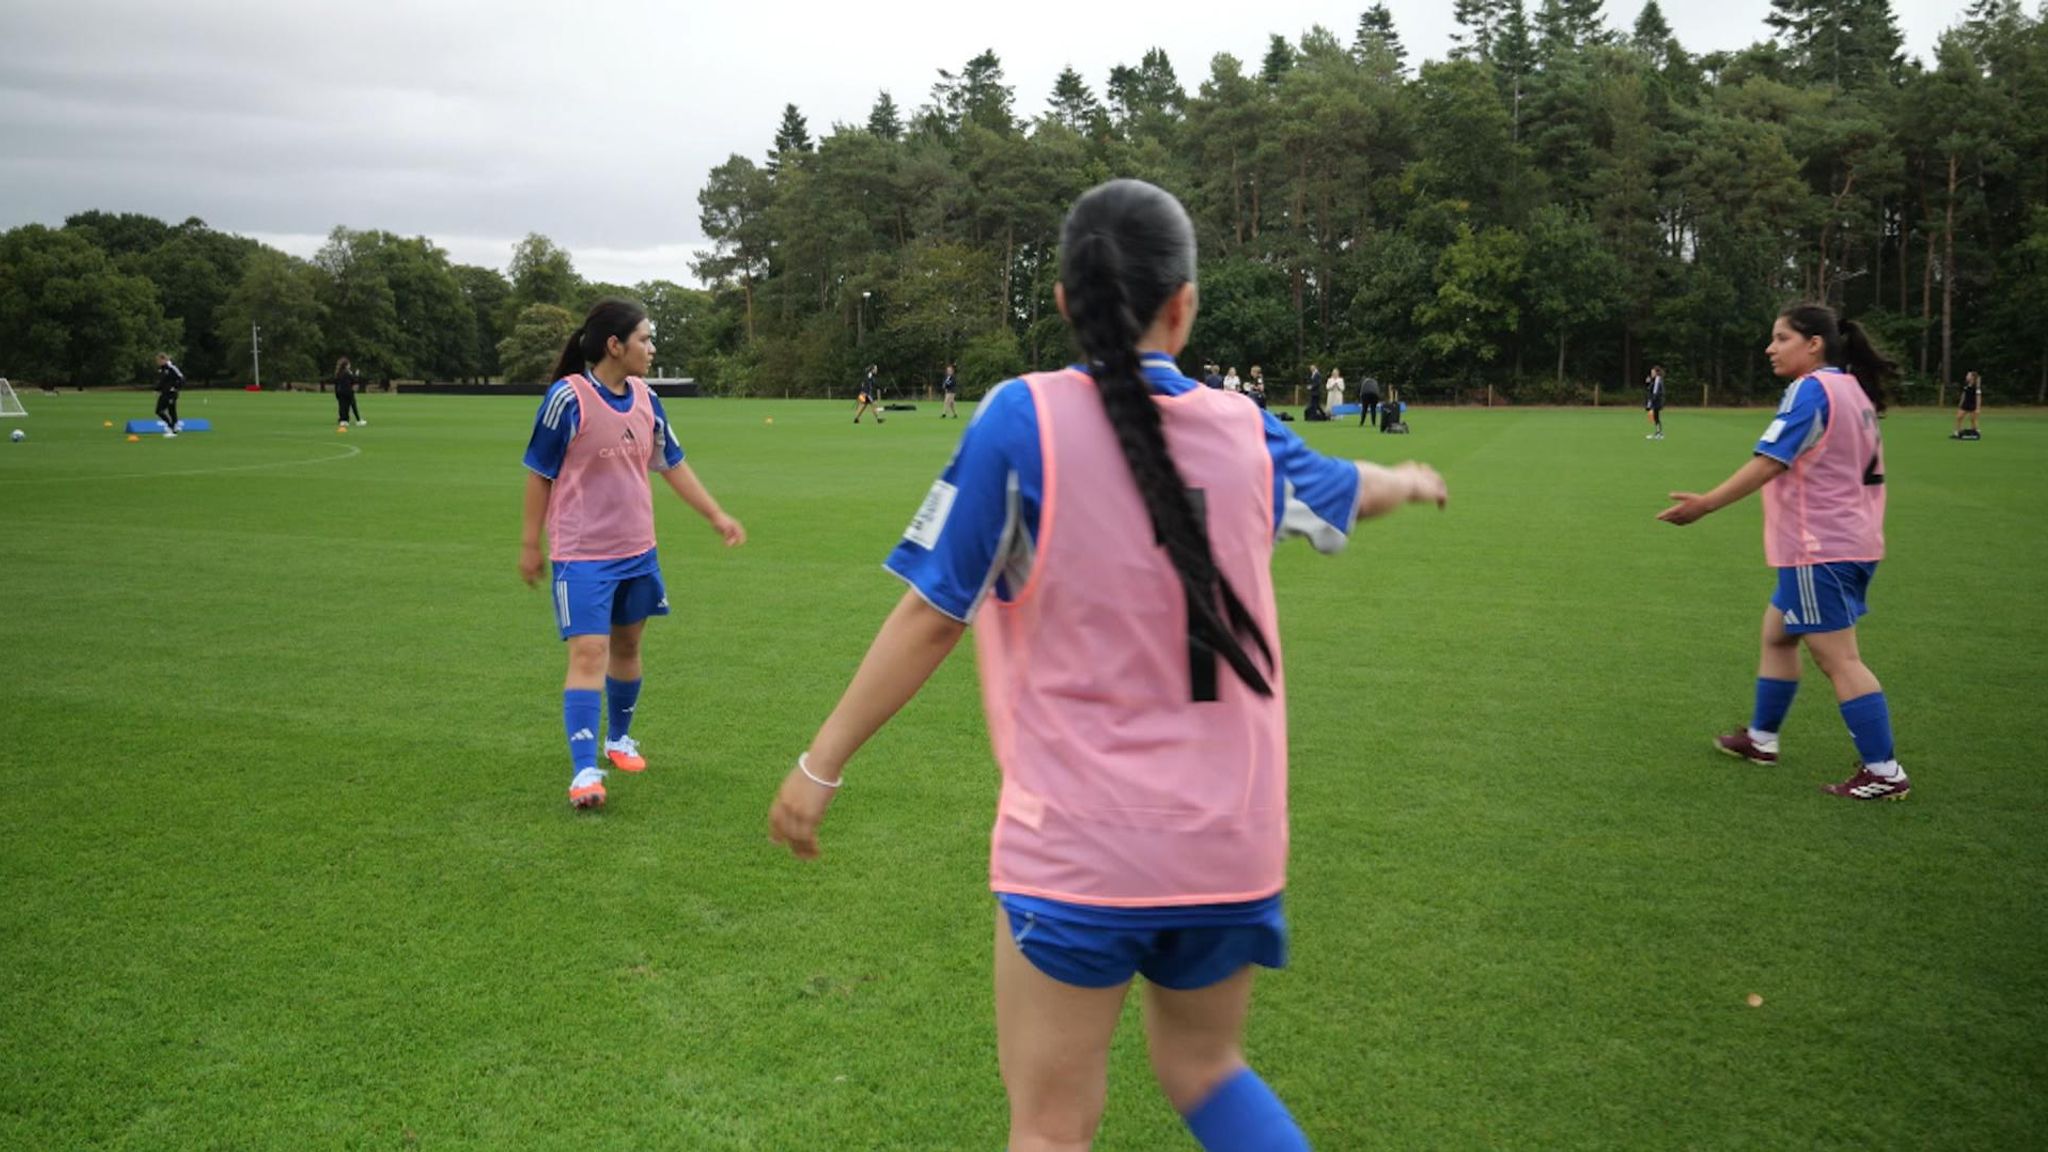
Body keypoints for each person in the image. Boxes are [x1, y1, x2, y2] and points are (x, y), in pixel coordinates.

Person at [768, 179, 1449, 1150]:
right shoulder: (1244, 427)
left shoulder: (1022, 419)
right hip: (1230, 837)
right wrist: (1408, 480)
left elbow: (932, 615)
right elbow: (1352, 490)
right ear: (1185, 303)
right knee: (1206, 1070)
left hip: (1079, 843)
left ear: (1062, 301)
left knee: (1051, 1127)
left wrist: (819, 763)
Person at [1657, 303, 1907, 802]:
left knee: (1839, 659)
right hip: (1850, 540)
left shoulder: (1811, 390)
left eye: (1781, 338)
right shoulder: (1850, 387)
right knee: (1778, 634)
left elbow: (1771, 460)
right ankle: (1762, 738)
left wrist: (1706, 504)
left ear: (1814, 344)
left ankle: (1884, 771)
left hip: (1820, 548)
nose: (1770, 348)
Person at [520, 299, 747, 810]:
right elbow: (539, 473)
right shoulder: (568, 398)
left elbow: (671, 463)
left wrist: (716, 515)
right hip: (582, 555)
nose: (652, 347)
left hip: (638, 550)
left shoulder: (647, 398)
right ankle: (584, 773)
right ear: (614, 346)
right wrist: (530, 544)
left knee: (627, 647)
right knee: (588, 653)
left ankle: (619, 739)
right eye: (644, 339)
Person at [153, 353, 183, 438]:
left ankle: (171, 427)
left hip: (171, 394)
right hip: (164, 393)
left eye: (159, 360)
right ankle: (174, 427)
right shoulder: (162, 369)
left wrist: (175, 387)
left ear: (163, 359)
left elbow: (181, 378)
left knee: (160, 411)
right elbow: (163, 381)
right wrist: (157, 389)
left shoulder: (172, 367)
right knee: (170, 410)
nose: (157, 362)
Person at [334, 356, 365, 429]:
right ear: (346, 365)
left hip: (340, 392)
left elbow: (336, 383)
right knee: (353, 406)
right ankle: (358, 420)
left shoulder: (338, 373)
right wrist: (356, 374)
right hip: (348, 392)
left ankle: (343, 420)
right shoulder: (347, 373)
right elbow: (354, 380)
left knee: (343, 406)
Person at [1952, 370, 1982, 438]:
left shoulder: (1976, 387)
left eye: (1968, 375)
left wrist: (1978, 408)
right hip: (1965, 404)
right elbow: (1964, 394)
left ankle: (1976, 432)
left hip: (1973, 404)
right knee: (1959, 417)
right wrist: (1960, 403)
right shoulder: (1966, 385)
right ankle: (1957, 432)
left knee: (1973, 419)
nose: (1967, 376)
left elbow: (1978, 397)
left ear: (1972, 377)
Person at [1644, 365, 1666, 440]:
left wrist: (1651, 402)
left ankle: (1659, 434)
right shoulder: (1654, 380)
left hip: (1657, 401)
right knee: (1655, 417)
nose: (1651, 374)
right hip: (1656, 401)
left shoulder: (1657, 379)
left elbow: (1655, 392)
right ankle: (1658, 433)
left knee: (1656, 417)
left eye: (1652, 372)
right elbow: (1650, 389)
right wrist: (1648, 383)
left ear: (1656, 372)